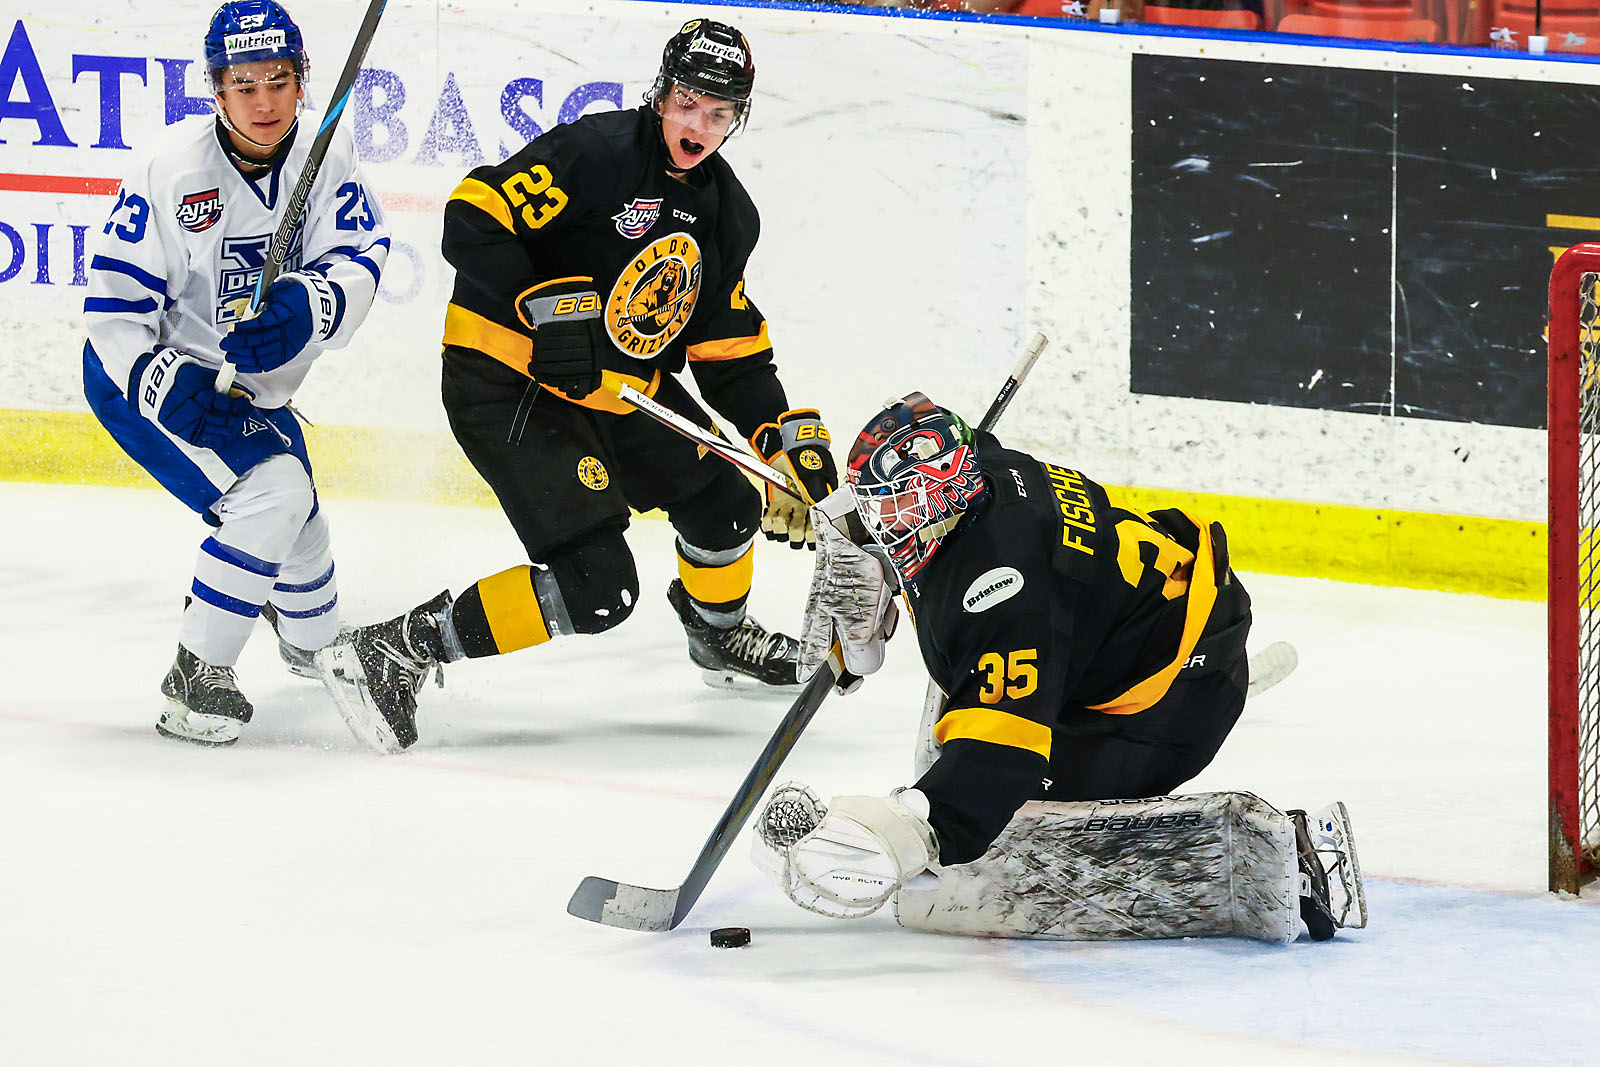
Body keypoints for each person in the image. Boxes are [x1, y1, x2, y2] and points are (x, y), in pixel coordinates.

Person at [319, 20, 837, 753]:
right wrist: (551, 303)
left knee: (726, 504)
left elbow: (730, 356)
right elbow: (472, 216)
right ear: (663, 92)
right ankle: (396, 647)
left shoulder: (728, 214)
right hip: (507, 378)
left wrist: (782, 441)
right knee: (598, 585)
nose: (698, 126)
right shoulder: (599, 153)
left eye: (718, 114)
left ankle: (717, 637)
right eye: (688, 102)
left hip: (620, 390)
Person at [751, 392, 1364, 942]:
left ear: (936, 498)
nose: (879, 525)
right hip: (1137, 627)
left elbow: (1004, 760)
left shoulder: (1003, 592)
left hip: (1170, 702)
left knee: (1012, 844)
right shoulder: (983, 469)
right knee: (960, 741)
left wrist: (918, 830)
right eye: (873, 508)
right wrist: (855, 536)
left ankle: (1286, 851)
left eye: (890, 511)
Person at [80, 0, 390, 746]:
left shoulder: (327, 156)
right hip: (148, 377)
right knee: (273, 490)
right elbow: (114, 311)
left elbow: (363, 259)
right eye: (244, 84)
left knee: (304, 535)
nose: (263, 102)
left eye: (278, 81)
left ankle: (307, 641)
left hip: (249, 386)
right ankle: (196, 675)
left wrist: (312, 305)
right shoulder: (170, 169)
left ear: (301, 80)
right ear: (216, 90)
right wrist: (158, 375)